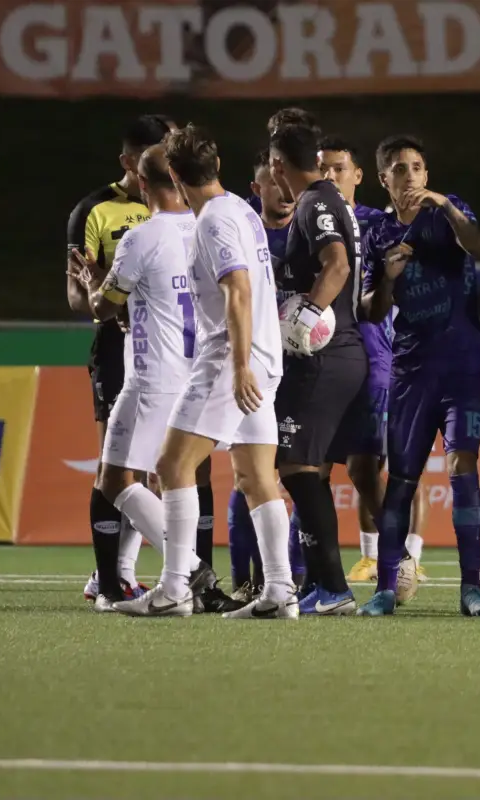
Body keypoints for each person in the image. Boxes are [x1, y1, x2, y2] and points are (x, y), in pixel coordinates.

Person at [114, 124, 294, 619]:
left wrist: (238, 367)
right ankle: (280, 591)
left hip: (232, 360)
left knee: (172, 466)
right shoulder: (239, 207)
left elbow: (238, 287)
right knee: (256, 475)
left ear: (173, 173)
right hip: (263, 356)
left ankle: (174, 589)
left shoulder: (213, 220)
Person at [357, 134, 480, 617]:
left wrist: (445, 205)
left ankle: (469, 589)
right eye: (400, 168)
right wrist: (390, 280)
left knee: (463, 469)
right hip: (411, 371)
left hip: (462, 367)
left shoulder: (448, 211)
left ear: (427, 174)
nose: (411, 175)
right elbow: (371, 311)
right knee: (401, 480)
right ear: (384, 180)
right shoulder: (376, 235)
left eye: (418, 167)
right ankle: (386, 589)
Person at [68, 144, 195, 611]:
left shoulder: (141, 237)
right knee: (172, 476)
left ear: (142, 186)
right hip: (196, 369)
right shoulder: (206, 227)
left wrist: (91, 283)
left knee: (115, 478)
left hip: (151, 373)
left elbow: (104, 307)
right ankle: (144, 578)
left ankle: (186, 569)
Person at [268, 124, 370, 617]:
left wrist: (306, 315)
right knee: (303, 470)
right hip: (336, 355)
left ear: (277, 165)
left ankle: (333, 588)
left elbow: (337, 266)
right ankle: (323, 585)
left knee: (298, 469)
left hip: (324, 356)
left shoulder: (314, 202)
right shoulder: (328, 200)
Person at [318, 137, 421, 598]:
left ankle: (398, 559)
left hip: (372, 358)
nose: (330, 177)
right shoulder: (308, 221)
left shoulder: (377, 225)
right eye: (322, 169)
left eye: (339, 168)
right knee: (307, 468)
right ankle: (311, 575)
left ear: (359, 176)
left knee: (367, 469)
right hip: (315, 361)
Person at [227, 149, 295, 601]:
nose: (283, 189)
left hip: (303, 367)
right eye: (273, 181)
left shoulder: (315, 222)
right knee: (248, 474)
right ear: (258, 188)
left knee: (299, 474)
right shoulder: (242, 228)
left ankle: (294, 578)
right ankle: (243, 580)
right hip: (254, 366)